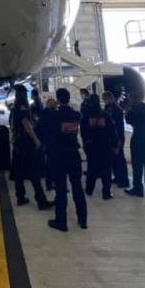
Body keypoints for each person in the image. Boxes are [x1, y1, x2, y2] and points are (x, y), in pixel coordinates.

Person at [46, 88, 87, 232]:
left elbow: (48, 132)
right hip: (73, 154)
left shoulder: (54, 116)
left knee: (61, 189)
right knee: (77, 188)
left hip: (59, 155)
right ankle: (83, 220)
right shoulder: (77, 115)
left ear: (58, 99)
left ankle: (61, 222)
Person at [10, 84, 53, 210]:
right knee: (34, 172)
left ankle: (21, 197)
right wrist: (36, 140)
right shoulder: (23, 107)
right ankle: (41, 201)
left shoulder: (16, 106)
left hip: (18, 143)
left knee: (18, 172)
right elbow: (26, 124)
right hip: (26, 143)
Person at [84, 94, 116, 200]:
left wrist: (85, 144)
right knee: (106, 169)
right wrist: (115, 144)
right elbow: (112, 130)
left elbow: (83, 132)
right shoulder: (105, 114)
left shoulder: (86, 114)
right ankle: (106, 193)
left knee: (91, 168)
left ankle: (89, 189)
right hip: (105, 145)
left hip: (92, 145)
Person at [125, 92, 145, 198]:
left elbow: (129, 120)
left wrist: (127, 111)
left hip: (138, 138)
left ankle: (138, 189)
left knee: (137, 165)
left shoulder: (133, 108)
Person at [104, 91, 130, 189]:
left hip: (117, 137)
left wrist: (119, 141)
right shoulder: (107, 108)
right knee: (114, 160)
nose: (104, 101)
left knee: (120, 160)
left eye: (105, 99)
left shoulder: (117, 110)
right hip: (110, 138)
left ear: (110, 98)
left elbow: (120, 127)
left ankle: (123, 180)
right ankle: (117, 177)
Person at [35, 96, 58, 191]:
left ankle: (49, 183)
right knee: (51, 164)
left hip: (47, 141)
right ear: (48, 103)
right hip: (49, 142)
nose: (55, 104)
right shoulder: (49, 114)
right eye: (53, 103)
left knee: (49, 163)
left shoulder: (45, 113)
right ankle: (51, 183)